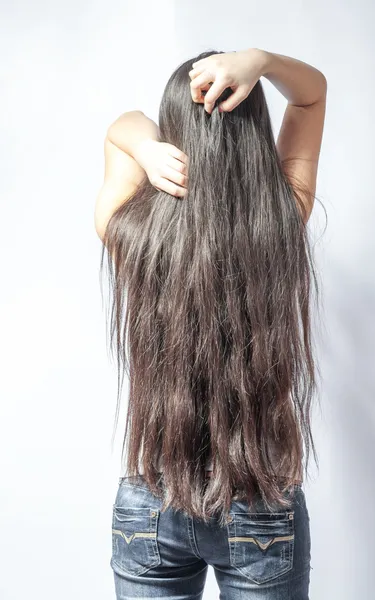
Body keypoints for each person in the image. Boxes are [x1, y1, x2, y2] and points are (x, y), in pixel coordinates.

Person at [95, 47, 327, 599]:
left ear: (175, 133)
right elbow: (312, 94)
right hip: (260, 501)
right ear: (254, 136)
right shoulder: (279, 220)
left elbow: (118, 129)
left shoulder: (133, 233)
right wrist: (262, 62)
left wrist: (146, 147)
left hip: (150, 504)